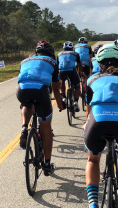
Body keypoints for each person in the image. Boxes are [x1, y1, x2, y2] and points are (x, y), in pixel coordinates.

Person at [83, 44, 118, 208]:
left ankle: (93, 203)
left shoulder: (91, 79)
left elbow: (89, 109)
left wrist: (86, 125)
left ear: (99, 64)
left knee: (93, 160)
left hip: (96, 123)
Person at [16, 41, 66, 175]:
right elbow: (55, 88)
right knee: (46, 128)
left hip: (21, 89)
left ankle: (24, 129)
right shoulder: (53, 62)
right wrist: (60, 104)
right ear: (51, 53)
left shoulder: (25, 60)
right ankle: (47, 164)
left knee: (26, 104)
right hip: (40, 90)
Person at [57, 41, 82, 112]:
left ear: (64, 48)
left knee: (62, 82)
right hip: (72, 71)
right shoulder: (75, 54)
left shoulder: (59, 54)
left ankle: (64, 97)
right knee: (77, 86)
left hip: (62, 71)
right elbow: (79, 65)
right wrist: (79, 72)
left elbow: (57, 65)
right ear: (72, 47)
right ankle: (76, 101)